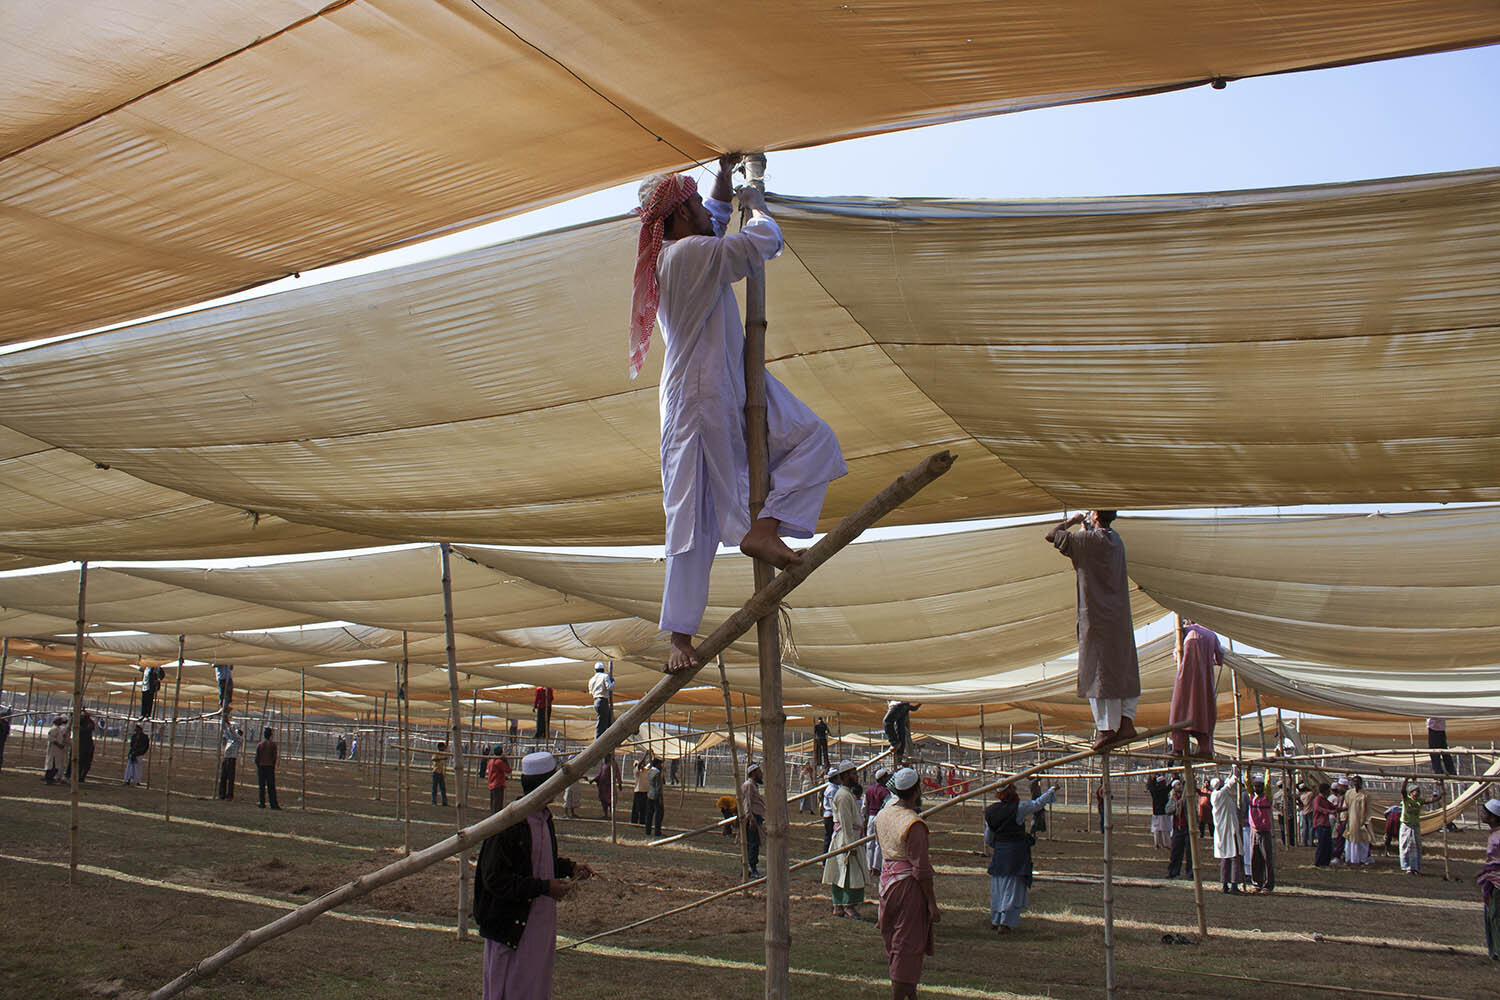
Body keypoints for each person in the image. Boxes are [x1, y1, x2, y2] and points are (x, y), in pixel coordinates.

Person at [634, 156, 847, 675]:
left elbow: (711, 209)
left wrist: (727, 174)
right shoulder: (686, 255)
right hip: (698, 397)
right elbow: (759, 245)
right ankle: (679, 637)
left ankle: (764, 527)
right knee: (691, 516)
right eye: (695, 207)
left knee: (816, 438)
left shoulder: (687, 243)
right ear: (680, 218)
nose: (711, 211)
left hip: (735, 380)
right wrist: (759, 209)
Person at [473, 751, 595, 1000]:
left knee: (534, 987)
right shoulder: (507, 824)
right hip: (512, 928)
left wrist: (569, 868)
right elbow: (496, 879)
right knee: (508, 989)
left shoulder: (544, 818)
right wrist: (544, 888)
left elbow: (538, 861)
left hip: (538, 925)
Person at [1044, 510, 1141, 751]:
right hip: (1118, 616)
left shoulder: (1086, 541)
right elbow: (1093, 552)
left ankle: (1105, 729)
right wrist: (1088, 526)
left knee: (1096, 671)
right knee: (1124, 666)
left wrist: (1073, 521)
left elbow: (1051, 535)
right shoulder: (1116, 541)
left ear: (1095, 514)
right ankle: (1126, 722)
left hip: (1096, 617)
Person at [876, 768, 939, 999]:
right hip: (907, 886)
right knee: (906, 944)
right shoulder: (914, 824)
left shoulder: (883, 815)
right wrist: (932, 904)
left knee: (894, 938)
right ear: (916, 791)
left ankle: (910, 995)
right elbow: (921, 869)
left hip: (886, 883)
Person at [985, 781, 1056, 932]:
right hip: (1015, 853)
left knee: (999, 886)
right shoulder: (1019, 808)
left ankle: (996, 919)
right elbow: (1037, 804)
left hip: (1000, 852)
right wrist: (1052, 790)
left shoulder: (991, 811)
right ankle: (1004, 922)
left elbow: (988, 837)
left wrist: (998, 846)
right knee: (1012, 887)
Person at [823, 760, 870, 918]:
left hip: (851, 836)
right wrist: (850, 845)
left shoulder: (847, 794)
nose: (856, 776)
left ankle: (842, 906)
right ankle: (847, 905)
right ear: (845, 776)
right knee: (847, 872)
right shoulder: (843, 796)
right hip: (846, 838)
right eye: (853, 774)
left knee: (844, 872)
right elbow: (845, 822)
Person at [1169, 620, 1222, 758]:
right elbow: (1220, 658)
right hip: (1205, 679)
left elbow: (1177, 654)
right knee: (1204, 710)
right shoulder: (1212, 634)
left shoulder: (1185, 630)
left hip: (1188, 675)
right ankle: (1205, 748)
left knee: (1181, 708)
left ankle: (1178, 748)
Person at [1475, 798, 1500, 960]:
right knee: (1490, 915)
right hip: (1492, 880)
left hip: (1498, 882)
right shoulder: (1493, 834)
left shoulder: (1498, 836)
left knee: (1496, 916)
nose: (1481, 814)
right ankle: (1494, 950)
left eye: (1485, 812)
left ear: (1493, 817)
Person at [1399, 778, 1440, 874]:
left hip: (1415, 825)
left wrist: (1440, 795)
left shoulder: (1419, 801)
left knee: (1416, 846)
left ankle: (1415, 867)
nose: (1418, 793)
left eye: (1419, 791)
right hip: (1406, 825)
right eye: (1416, 791)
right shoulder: (1406, 800)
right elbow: (1402, 791)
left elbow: (1430, 800)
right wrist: (1406, 780)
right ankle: (1407, 867)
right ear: (1411, 792)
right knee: (1406, 846)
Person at [1210, 773, 1243, 893]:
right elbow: (1230, 783)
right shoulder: (1220, 794)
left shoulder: (1217, 795)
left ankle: (1225, 884)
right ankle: (1233, 884)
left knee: (1225, 858)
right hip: (1229, 830)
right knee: (1234, 857)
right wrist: (1234, 771)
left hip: (1222, 832)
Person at [1247, 778, 1275, 893]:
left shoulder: (1267, 798)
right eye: (1255, 786)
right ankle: (1256, 883)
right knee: (1254, 858)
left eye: (1259, 786)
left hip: (1265, 832)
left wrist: (1267, 768)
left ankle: (1268, 885)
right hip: (1254, 831)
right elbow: (1247, 780)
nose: (1257, 788)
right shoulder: (1252, 797)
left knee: (1267, 859)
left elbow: (1268, 783)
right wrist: (1248, 768)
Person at [741, 760, 766, 879]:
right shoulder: (748, 785)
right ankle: (751, 868)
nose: (761, 774)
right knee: (752, 843)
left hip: (756, 818)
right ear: (754, 773)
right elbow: (747, 803)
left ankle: (752, 867)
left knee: (755, 843)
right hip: (752, 818)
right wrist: (750, 818)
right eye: (759, 772)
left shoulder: (753, 785)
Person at [865, 767, 893, 872]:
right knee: (879, 843)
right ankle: (876, 867)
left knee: (869, 842)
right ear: (882, 779)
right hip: (879, 816)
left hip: (870, 817)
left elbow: (865, 805)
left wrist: (865, 817)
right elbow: (888, 805)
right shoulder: (884, 792)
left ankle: (868, 865)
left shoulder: (869, 790)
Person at [1166, 780, 1194, 879]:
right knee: (1176, 851)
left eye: (1180, 784)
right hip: (1178, 828)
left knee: (1190, 852)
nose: (1180, 786)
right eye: (1177, 785)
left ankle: (1190, 874)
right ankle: (1173, 871)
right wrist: (1176, 804)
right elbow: (1168, 810)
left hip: (1187, 828)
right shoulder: (1173, 798)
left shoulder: (1187, 797)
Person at [1343, 775, 1372, 866]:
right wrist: (1343, 818)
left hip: (1362, 820)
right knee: (1351, 839)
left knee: (1363, 840)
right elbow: (1345, 806)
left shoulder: (1365, 794)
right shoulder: (1348, 793)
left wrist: (1367, 821)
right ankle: (1350, 859)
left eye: (1357, 782)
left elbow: (1368, 809)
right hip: (1351, 820)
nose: (1356, 784)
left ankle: (1362, 859)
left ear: (1361, 783)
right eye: (1354, 782)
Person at [1310, 782, 1338, 867]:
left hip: (1326, 824)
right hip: (1320, 824)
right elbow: (1317, 808)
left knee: (1328, 845)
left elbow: (1333, 807)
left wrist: (1342, 807)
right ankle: (1318, 863)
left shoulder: (1325, 800)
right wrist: (1329, 812)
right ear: (1325, 791)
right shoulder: (1318, 799)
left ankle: (1325, 862)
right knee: (1321, 845)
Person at [255, 727, 280, 810]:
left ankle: (262, 803)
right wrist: (273, 765)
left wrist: (258, 765)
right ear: (270, 735)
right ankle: (273, 804)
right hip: (269, 767)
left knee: (261, 786)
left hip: (261, 767)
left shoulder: (260, 744)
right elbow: (274, 757)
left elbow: (256, 758)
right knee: (271, 786)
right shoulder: (273, 745)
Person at [587, 664, 613, 738]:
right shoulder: (605, 676)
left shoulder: (592, 679)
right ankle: (598, 740)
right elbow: (609, 687)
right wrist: (612, 682)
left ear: (595, 670)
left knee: (605, 720)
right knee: (602, 722)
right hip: (602, 700)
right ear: (603, 670)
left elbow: (591, 693)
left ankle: (604, 737)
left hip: (596, 701)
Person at [42, 716, 69, 784]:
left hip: (58, 750)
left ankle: (51, 778)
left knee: (56, 765)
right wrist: (59, 745)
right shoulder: (54, 729)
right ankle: (48, 779)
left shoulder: (59, 729)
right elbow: (51, 738)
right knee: (52, 765)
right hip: (54, 750)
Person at [1148, 773, 1172, 849]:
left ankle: (1157, 843)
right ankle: (1166, 844)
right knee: (1165, 829)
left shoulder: (1154, 791)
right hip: (1163, 812)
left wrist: (1152, 778)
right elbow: (1171, 785)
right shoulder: (1165, 790)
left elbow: (1151, 786)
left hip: (1156, 812)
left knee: (1156, 829)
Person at [219, 725, 243, 800]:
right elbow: (227, 733)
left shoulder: (239, 739)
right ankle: (222, 794)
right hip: (226, 758)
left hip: (232, 759)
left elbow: (232, 733)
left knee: (230, 778)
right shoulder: (230, 739)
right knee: (223, 777)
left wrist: (227, 723)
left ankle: (229, 795)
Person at [488, 748, 513, 814]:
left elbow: (495, 772)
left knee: (493, 803)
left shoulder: (491, 761)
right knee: (498, 804)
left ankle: (492, 816)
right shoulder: (499, 762)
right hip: (497, 784)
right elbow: (508, 770)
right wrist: (505, 761)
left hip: (491, 783)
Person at [644, 757, 665, 837]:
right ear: (657, 764)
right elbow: (658, 787)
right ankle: (657, 831)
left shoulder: (649, 771)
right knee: (659, 814)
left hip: (649, 795)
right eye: (660, 764)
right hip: (656, 796)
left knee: (649, 814)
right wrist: (660, 798)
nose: (661, 765)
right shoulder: (657, 773)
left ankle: (647, 831)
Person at [74, 709, 96, 782]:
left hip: (87, 745)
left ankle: (82, 776)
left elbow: (90, 727)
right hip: (81, 744)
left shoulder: (89, 724)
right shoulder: (79, 724)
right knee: (79, 761)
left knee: (86, 762)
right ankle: (78, 776)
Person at [821, 766, 840, 854]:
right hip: (830, 816)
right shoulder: (832, 790)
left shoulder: (834, 788)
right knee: (829, 838)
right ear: (834, 779)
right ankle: (826, 858)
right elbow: (834, 805)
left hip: (829, 815)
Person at [631, 753, 651, 827]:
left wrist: (652, 755)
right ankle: (634, 822)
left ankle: (642, 821)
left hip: (645, 791)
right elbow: (639, 765)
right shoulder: (636, 771)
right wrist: (645, 755)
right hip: (638, 791)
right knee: (637, 808)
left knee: (644, 808)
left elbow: (651, 763)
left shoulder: (645, 770)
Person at [431, 741, 450, 807]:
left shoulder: (443, 753)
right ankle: (434, 802)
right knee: (434, 788)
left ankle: (444, 802)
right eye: (443, 747)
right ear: (440, 747)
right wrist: (442, 758)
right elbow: (433, 759)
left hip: (441, 772)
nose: (444, 748)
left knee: (443, 788)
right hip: (436, 772)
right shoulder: (436, 753)